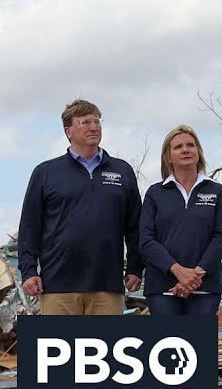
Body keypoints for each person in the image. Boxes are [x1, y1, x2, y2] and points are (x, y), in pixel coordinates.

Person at [18, 99, 143, 315]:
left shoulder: (122, 171)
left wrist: (135, 267)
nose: (94, 127)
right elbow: (30, 227)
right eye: (85, 122)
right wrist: (29, 271)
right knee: (60, 349)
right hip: (58, 287)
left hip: (107, 287)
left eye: (97, 121)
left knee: (106, 348)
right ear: (68, 132)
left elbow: (135, 227)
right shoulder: (46, 173)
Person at [139, 125, 222, 316]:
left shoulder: (216, 191)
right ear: (168, 156)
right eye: (178, 147)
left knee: (197, 346)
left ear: (198, 152)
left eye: (191, 145)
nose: (186, 149)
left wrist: (196, 274)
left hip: (205, 286)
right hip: (163, 288)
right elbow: (146, 240)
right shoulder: (155, 193)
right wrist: (178, 271)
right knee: (166, 345)